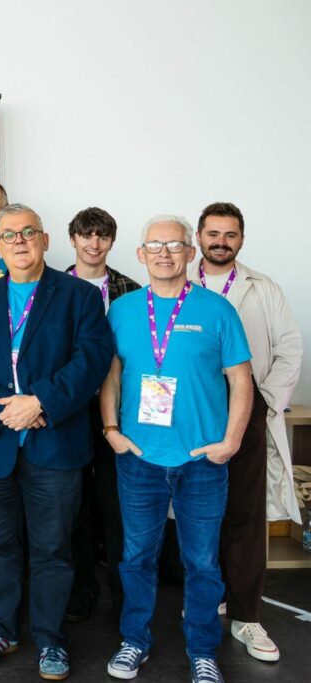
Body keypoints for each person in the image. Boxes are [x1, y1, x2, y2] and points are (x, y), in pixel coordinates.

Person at [0, 203, 113, 681]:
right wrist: (6, 408)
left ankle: (51, 639)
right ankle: (0, 629)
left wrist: (40, 403)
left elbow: (92, 359)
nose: (19, 241)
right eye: (9, 234)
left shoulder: (78, 296)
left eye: (29, 233)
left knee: (53, 549)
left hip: (54, 444)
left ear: (45, 240)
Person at [100, 215, 252, 683]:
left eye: (174, 244)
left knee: (202, 561)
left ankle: (203, 648)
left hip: (202, 460)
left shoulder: (217, 309)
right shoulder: (122, 310)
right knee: (136, 557)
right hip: (140, 458)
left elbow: (241, 380)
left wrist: (231, 442)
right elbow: (112, 374)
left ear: (190, 252)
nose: (164, 252)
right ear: (141, 255)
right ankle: (134, 641)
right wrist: (110, 429)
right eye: (154, 245)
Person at [189, 202, 302, 663]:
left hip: (247, 414)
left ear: (241, 239)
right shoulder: (179, 281)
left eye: (230, 234)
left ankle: (246, 615)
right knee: (197, 514)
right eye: (213, 233)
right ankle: (207, 599)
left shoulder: (263, 288)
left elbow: (291, 348)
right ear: (198, 236)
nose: (221, 241)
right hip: (193, 416)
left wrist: (265, 402)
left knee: (246, 515)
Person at [62, 207, 140, 623]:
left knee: (116, 503)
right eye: (86, 236)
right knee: (74, 503)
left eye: (102, 237)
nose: (94, 244)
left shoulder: (130, 288)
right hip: (69, 410)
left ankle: (122, 593)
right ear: (72, 239)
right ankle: (81, 589)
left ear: (111, 241)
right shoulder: (51, 286)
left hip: (117, 411)